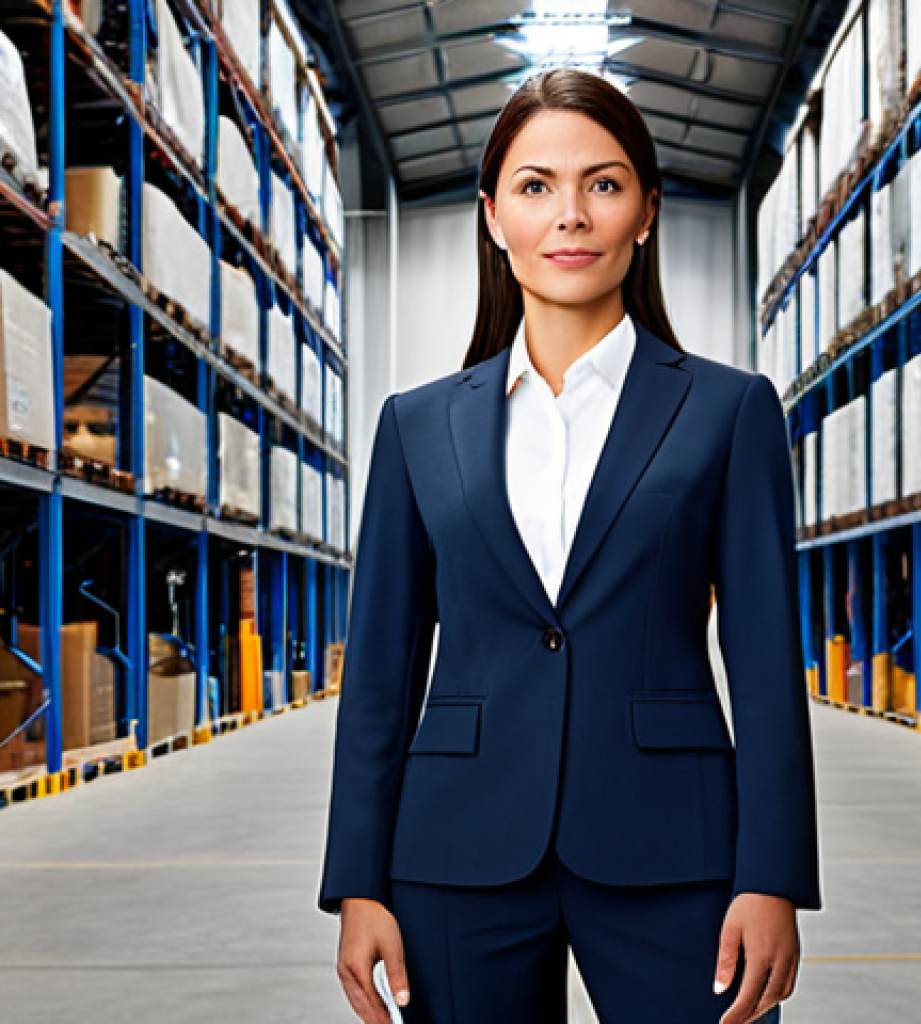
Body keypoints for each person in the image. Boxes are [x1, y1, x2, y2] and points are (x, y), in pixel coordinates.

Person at [319, 67, 823, 1024]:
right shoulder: (418, 426)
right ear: (492, 216)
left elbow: (765, 667)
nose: (571, 215)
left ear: (645, 214)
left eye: (604, 183)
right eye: (535, 186)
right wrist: (358, 882)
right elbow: (380, 673)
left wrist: (774, 877)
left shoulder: (726, 411)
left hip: (675, 848)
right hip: (456, 851)